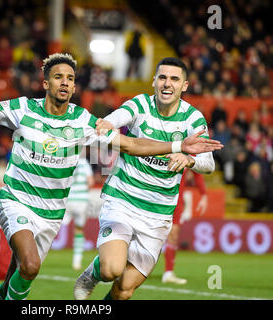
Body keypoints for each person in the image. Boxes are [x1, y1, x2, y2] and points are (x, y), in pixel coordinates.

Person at [0, 53, 222, 300]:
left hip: (51, 213)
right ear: (46, 82)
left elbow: (130, 144)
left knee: (30, 270)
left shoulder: (82, 121)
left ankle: (4, 295)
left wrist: (179, 146)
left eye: (70, 79)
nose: (65, 83)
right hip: (17, 199)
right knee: (29, 264)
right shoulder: (23, 109)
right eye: (58, 77)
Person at [74, 57, 218, 300]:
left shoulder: (193, 119)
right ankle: (92, 273)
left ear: (184, 85)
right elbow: (116, 118)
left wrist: (190, 160)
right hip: (123, 200)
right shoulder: (140, 104)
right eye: (162, 77)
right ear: (154, 81)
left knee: (124, 290)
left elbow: (209, 162)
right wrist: (108, 123)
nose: (167, 83)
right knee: (112, 269)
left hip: (158, 215)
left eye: (174, 79)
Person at [162, 168, 207, 285]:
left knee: (174, 234)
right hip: (156, 196)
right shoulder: (158, 149)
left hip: (176, 199)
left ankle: (168, 273)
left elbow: (197, 172)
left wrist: (203, 195)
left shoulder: (188, 151)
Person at [65, 154, 94, 270]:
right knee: (79, 230)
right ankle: (76, 261)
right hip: (81, 201)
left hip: (68, 200)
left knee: (54, 228)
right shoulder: (84, 163)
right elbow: (90, 182)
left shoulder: (67, 161)